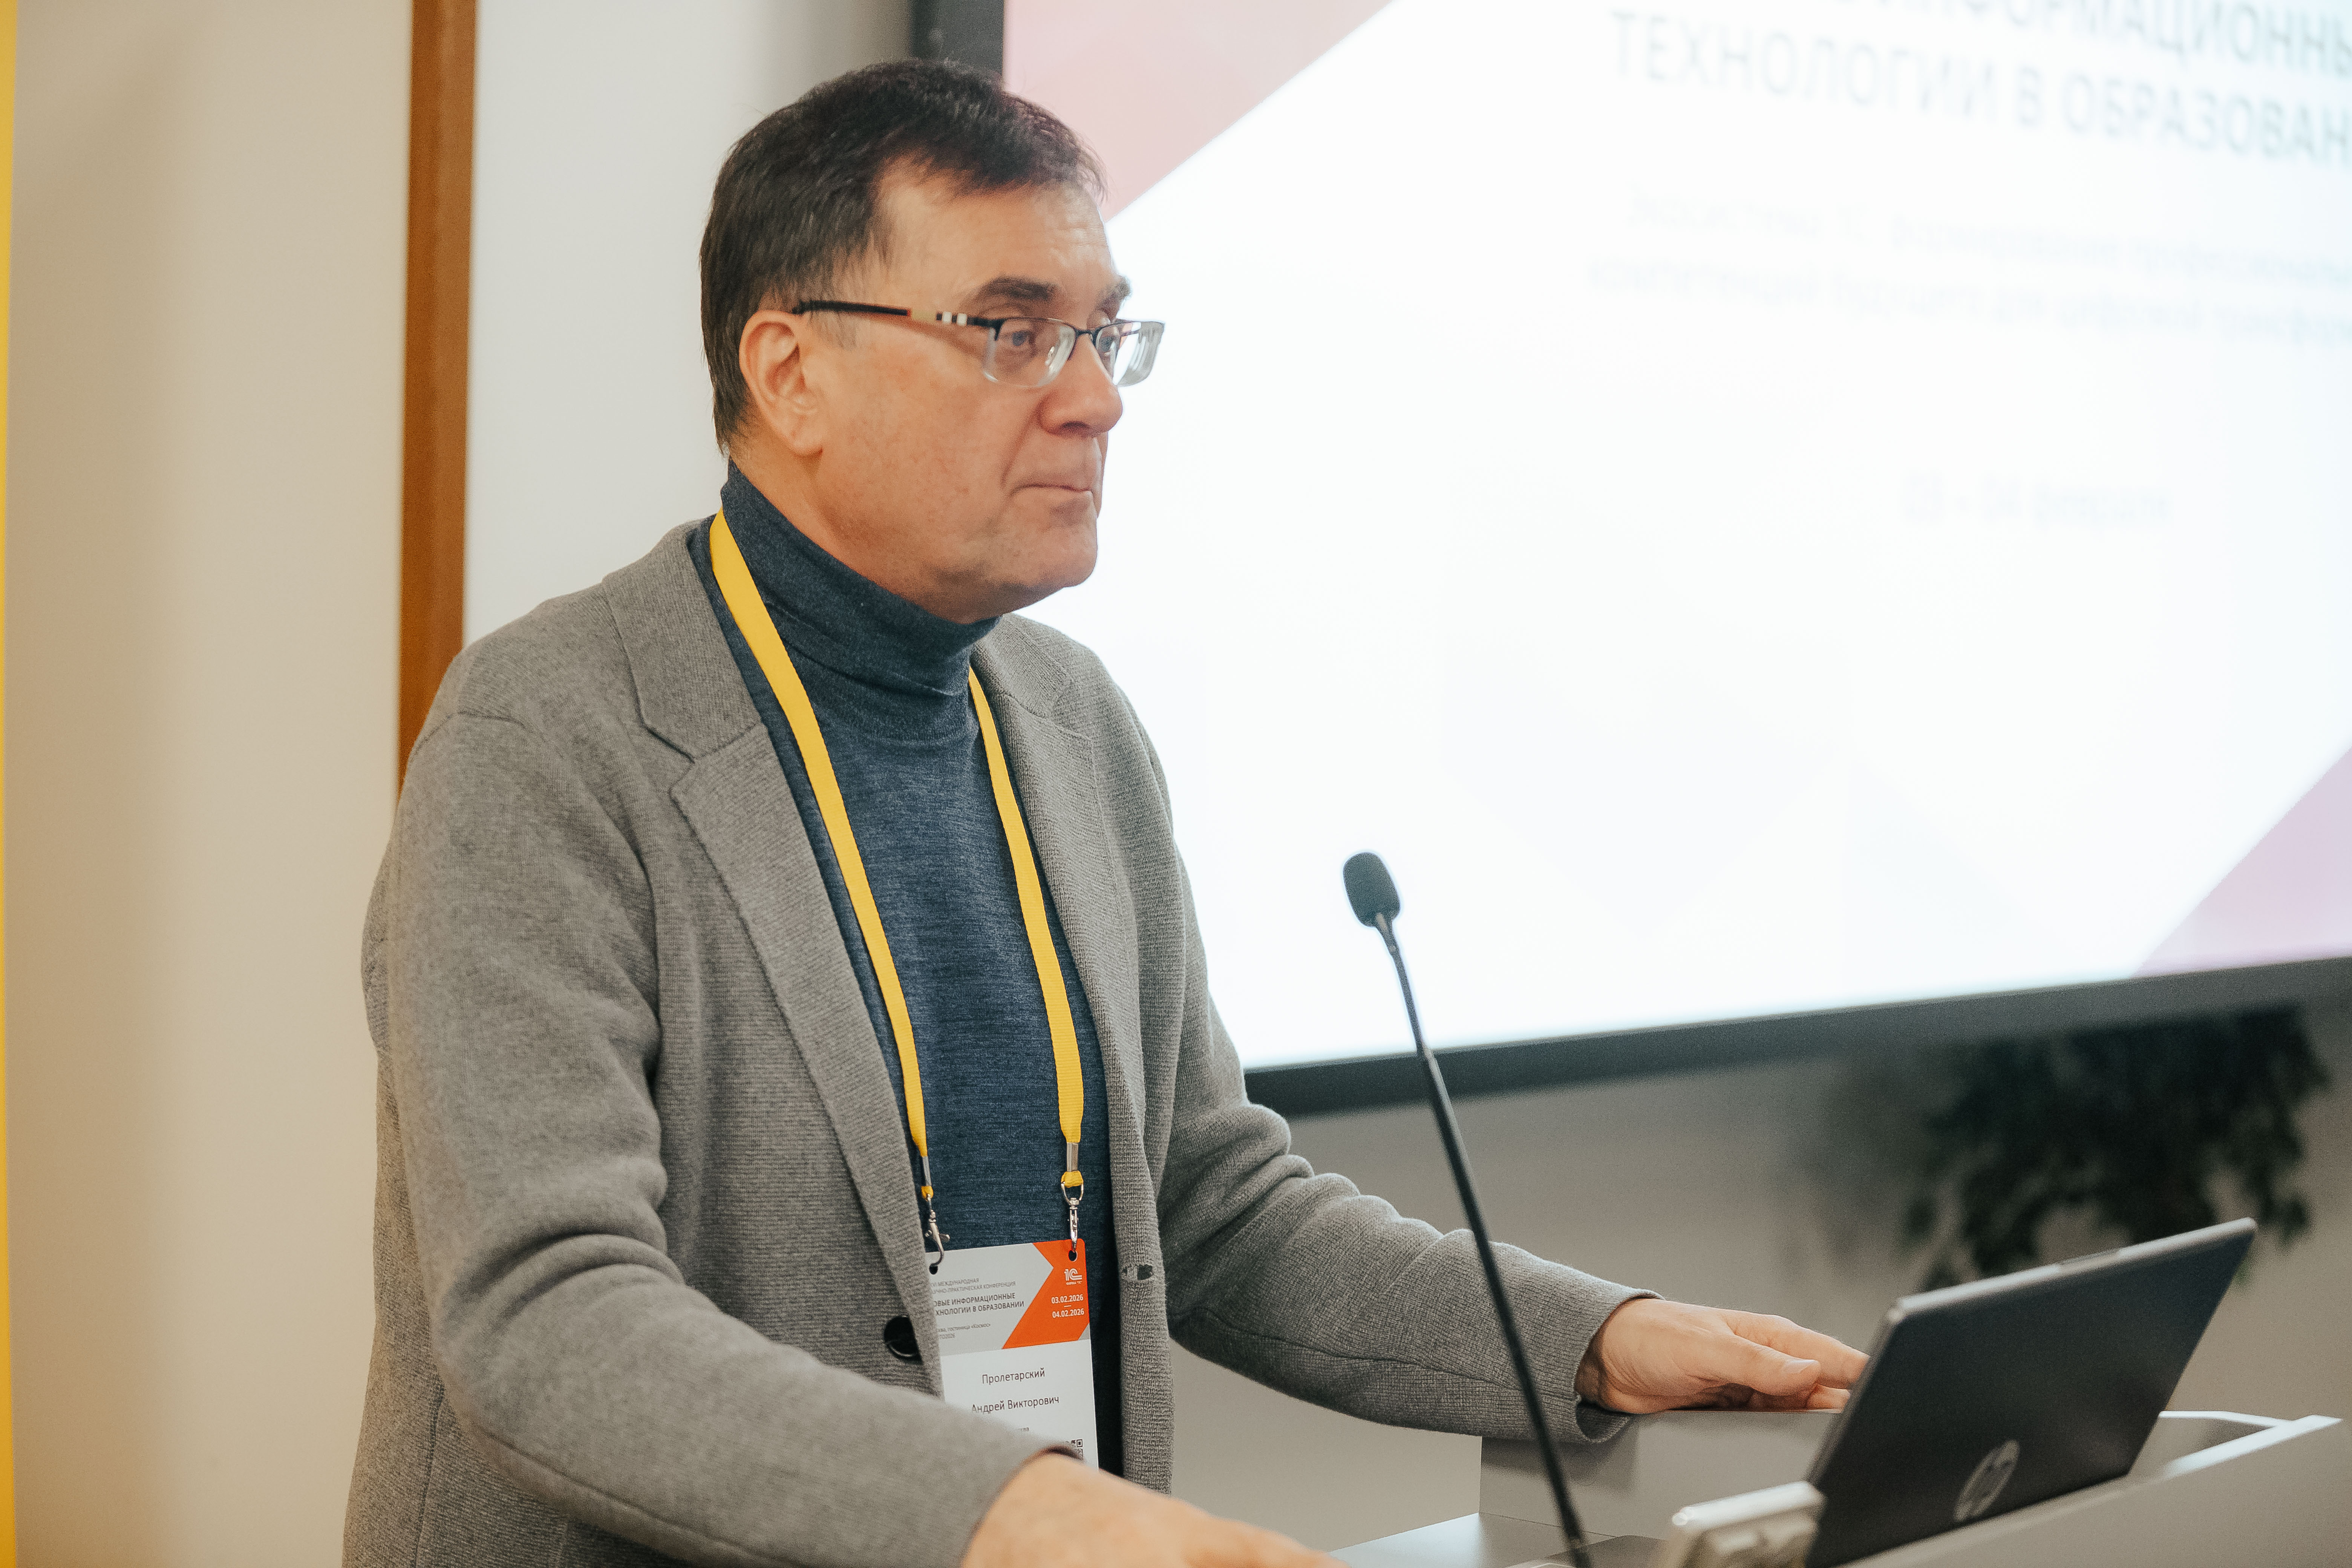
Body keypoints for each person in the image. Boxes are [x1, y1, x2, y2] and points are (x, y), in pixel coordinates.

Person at [346, 60, 1865, 1568]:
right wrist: (1006, 1507)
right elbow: (548, 1318)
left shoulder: (1069, 717)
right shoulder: (549, 735)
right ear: (791, 372)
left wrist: (1592, 1338)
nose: (1092, 400)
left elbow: (1209, 1201)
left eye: (1101, 334)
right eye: (1012, 333)